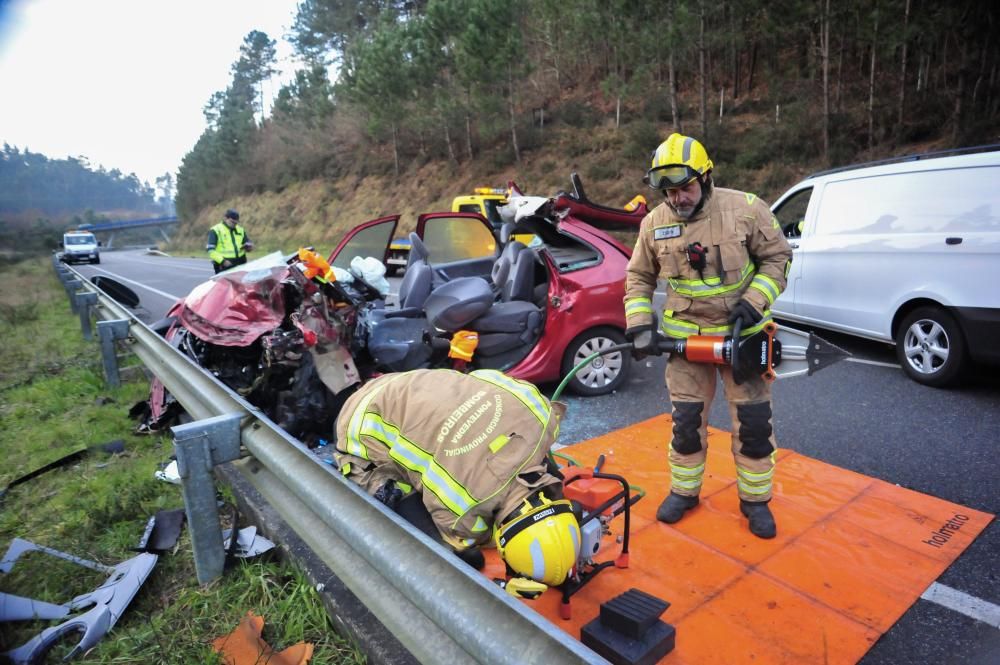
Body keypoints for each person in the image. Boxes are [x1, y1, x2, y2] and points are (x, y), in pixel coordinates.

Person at [623, 133, 792, 539]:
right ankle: (684, 492)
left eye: (685, 188)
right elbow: (638, 277)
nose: (678, 198)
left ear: (706, 176)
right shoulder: (654, 224)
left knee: (752, 425)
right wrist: (640, 326)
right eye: (669, 191)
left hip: (744, 341)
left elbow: (778, 259)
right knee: (686, 423)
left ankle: (755, 502)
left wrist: (754, 301)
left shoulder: (746, 210)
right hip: (685, 346)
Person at [333, 368, 580, 586]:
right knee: (454, 556)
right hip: (360, 423)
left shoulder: (541, 415)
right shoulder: (461, 513)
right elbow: (463, 538)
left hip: (409, 384)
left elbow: (484, 376)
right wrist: (463, 548)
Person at [207, 209, 253, 273]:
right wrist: (223, 261)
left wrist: (249, 247)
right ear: (225, 218)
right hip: (224, 265)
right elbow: (211, 250)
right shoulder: (215, 230)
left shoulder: (240, 230)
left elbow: (247, 242)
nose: (234, 224)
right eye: (232, 222)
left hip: (241, 263)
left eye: (236, 222)